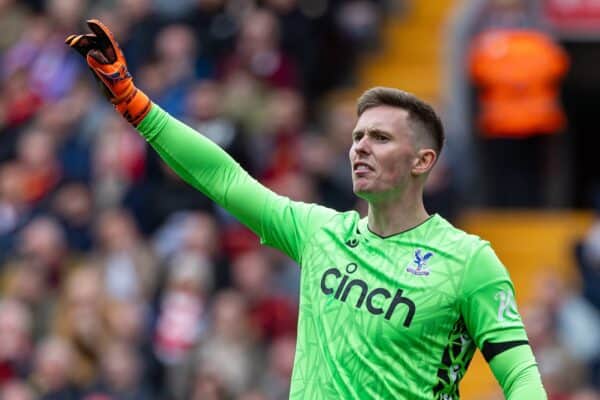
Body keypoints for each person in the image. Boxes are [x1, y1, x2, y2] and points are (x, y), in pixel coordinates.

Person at [65, 20, 547, 399]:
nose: (360, 148)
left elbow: (521, 376)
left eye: (379, 138)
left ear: (424, 161)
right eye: (356, 137)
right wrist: (133, 103)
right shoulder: (320, 232)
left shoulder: (468, 261)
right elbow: (223, 176)